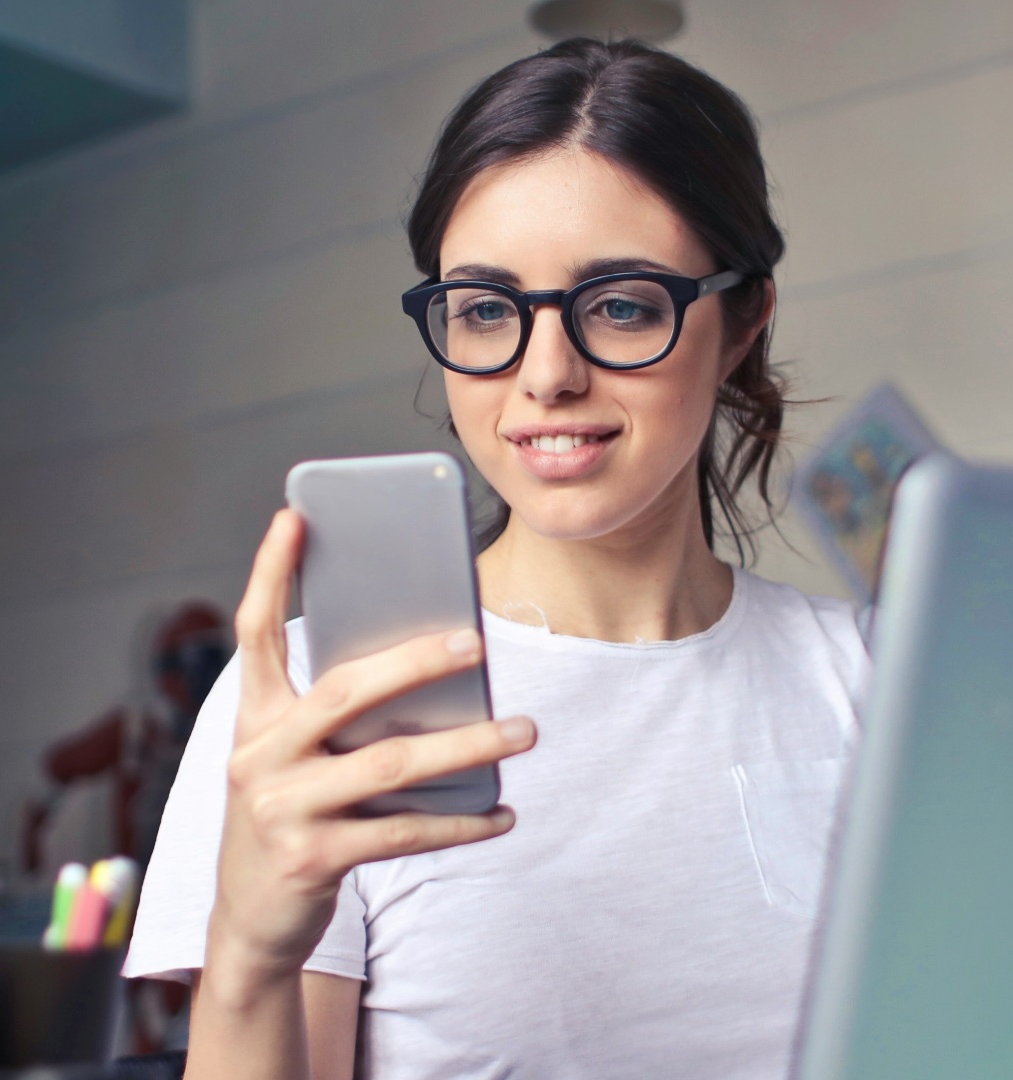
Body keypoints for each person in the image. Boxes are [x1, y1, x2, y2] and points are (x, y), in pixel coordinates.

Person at [124, 38, 869, 1079]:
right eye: (486, 311)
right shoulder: (320, 706)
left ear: (743, 319)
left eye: (621, 304)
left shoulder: (878, 682)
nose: (546, 374)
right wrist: (247, 952)